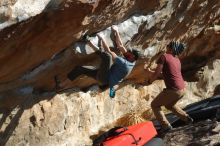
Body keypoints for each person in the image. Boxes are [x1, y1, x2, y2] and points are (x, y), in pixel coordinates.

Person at [56, 26, 141, 98]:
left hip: (105, 78)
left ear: (132, 56)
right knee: (80, 69)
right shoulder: (131, 59)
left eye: (130, 52)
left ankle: (88, 41)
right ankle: (62, 85)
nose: (128, 51)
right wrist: (116, 31)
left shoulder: (125, 64)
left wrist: (101, 38)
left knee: (107, 57)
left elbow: (108, 51)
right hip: (104, 75)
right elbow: (120, 45)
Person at [146, 41, 193, 132]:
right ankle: (186, 118)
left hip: (173, 90)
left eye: (168, 46)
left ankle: (166, 126)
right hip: (182, 89)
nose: (166, 47)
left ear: (171, 49)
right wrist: (149, 72)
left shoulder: (164, 57)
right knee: (169, 105)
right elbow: (167, 74)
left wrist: (149, 81)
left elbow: (157, 72)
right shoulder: (177, 60)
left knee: (155, 105)